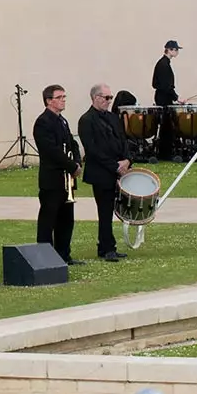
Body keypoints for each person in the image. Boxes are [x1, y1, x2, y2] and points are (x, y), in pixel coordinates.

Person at [78, 84, 130, 263]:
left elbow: (123, 140)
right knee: (105, 211)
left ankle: (108, 245)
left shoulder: (114, 118)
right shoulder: (86, 120)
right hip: (101, 172)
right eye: (106, 98)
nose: (109, 101)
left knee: (115, 208)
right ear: (96, 98)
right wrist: (114, 166)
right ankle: (106, 247)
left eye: (110, 97)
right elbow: (92, 150)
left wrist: (126, 160)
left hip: (118, 169)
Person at [31, 84, 81, 264]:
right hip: (52, 179)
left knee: (66, 220)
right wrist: (70, 166)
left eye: (64, 97)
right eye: (59, 97)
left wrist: (77, 161)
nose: (63, 100)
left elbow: (71, 143)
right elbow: (51, 150)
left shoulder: (62, 120)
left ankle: (63, 255)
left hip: (65, 180)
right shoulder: (43, 122)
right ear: (49, 101)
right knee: (48, 220)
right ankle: (45, 257)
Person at [152, 41, 181, 159]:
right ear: (170, 50)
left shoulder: (164, 63)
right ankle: (165, 153)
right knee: (166, 125)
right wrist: (177, 97)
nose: (177, 52)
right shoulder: (164, 65)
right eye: (176, 49)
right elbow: (166, 85)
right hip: (163, 98)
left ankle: (165, 151)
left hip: (163, 96)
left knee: (167, 124)